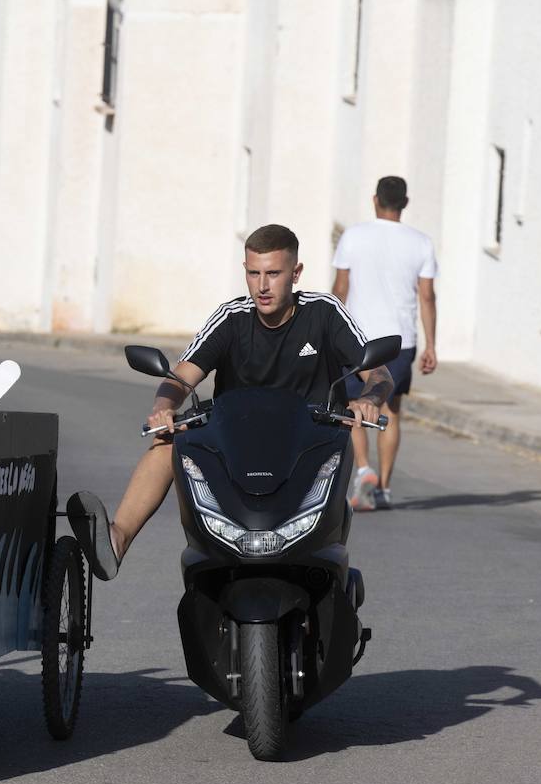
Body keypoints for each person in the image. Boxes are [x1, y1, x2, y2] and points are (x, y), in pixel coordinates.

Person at [95, 224, 393, 580]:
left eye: (273, 273)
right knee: (167, 441)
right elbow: (180, 377)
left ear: (296, 273)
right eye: (254, 273)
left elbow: (378, 374)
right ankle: (117, 538)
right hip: (236, 444)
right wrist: (165, 407)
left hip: (309, 447)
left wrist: (370, 400)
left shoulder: (324, 313)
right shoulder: (231, 318)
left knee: (322, 542)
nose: (262, 286)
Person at [332, 176, 439, 511]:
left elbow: (340, 289)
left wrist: (328, 333)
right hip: (400, 339)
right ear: (404, 203)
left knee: (353, 407)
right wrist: (431, 345)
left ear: (374, 199)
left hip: (357, 338)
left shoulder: (353, 236)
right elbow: (427, 296)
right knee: (391, 410)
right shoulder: (421, 242)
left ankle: (364, 468)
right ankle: (385, 488)